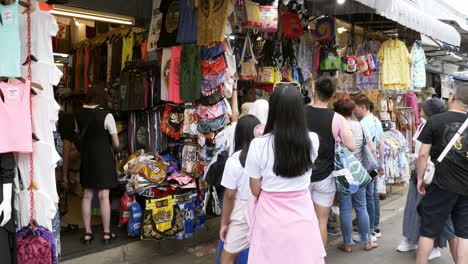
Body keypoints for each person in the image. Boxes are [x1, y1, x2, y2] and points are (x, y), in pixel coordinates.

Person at [246, 83, 325, 263]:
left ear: (273, 109)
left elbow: (255, 189)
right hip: (302, 214)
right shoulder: (312, 140)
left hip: (270, 217)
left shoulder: (258, 144)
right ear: (299, 110)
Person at [416, 84, 468, 264]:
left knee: (428, 232)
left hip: (440, 185)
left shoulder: (435, 121)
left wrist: (421, 178)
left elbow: (422, 154)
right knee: (464, 234)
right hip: (466, 187)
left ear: (452, 98)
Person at [305, 76, 356, 246]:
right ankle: (319, 258)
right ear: (333, 95)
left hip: (300, 175)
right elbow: (352, 146)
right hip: (325, 176)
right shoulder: (337, 118)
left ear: (314, 92)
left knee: (302, 221)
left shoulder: (301, 113)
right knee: (321, 220)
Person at [333, 99, 379, 252]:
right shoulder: (361, 125)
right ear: (352, 110)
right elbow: (371, 148)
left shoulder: (335, 126)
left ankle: (347, 244)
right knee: (361, 206)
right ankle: (367, 241)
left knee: (345, 208)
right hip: (359, 172)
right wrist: (377, 167)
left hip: (343, 173)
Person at [76, 86, 120, 245]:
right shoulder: (106, 115)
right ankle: (107, 233)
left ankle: (87, 233)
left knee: (87, 195)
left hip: (87, 159)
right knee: (103, 196)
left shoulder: (79, 113)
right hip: (103, 159)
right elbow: (116, 143)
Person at [219, 115, 260, 264]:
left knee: (228, 256)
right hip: (263, 209)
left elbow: (229, 195)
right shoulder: (265, 155)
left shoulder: (234, 161)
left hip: (241, 213)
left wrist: (224, 222)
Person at [353, 93, 384, 239]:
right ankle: (376, 227)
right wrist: (381, 163)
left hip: (367, 164)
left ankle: (370, 229)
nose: (354, 111)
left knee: (368, 196)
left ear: (362, 107)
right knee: (373, 195)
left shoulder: (364, 123)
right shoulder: (376, 120)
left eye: (355, 108)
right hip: (375, 162)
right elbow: (382, 143)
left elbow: (368, 147)